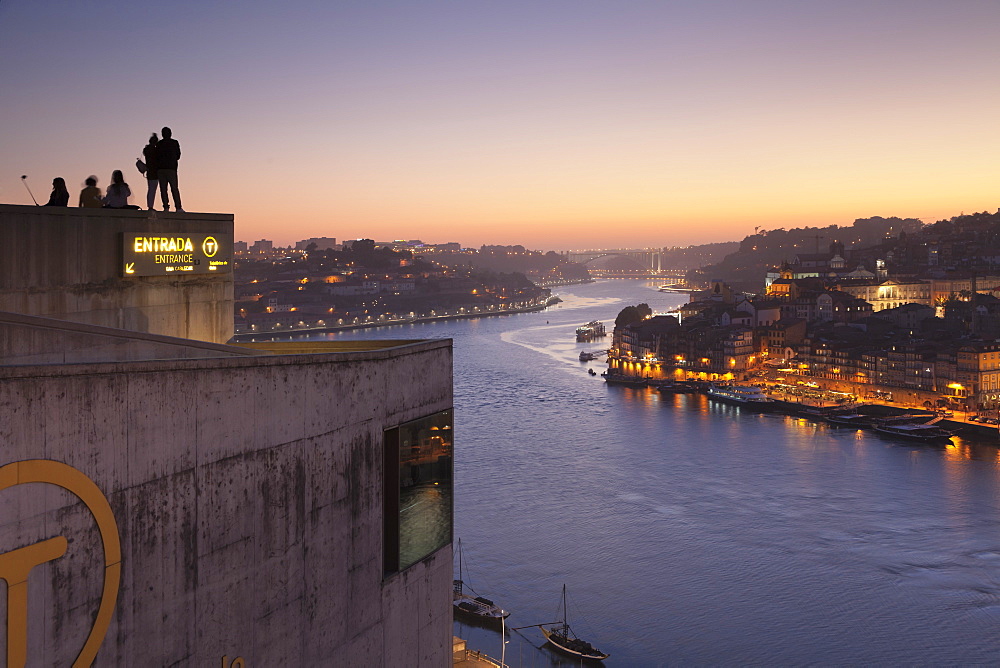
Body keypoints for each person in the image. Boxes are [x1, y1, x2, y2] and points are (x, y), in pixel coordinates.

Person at [156, 126, 183, 212]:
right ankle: (178, 207)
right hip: (171, 168)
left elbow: (156, 156)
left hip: (161, 169)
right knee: (174, 188)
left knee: (163, 189)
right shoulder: (174, 143)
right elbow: (178, 155)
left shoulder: (159, 144)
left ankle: (166, 207)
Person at [141, 133, 159, 210]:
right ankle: (150, 206)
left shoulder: (146, 150)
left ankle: (150, 205)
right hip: (155, 171)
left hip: (150, 171)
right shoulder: (155, 150)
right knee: (153, 189)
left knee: (151, 189)